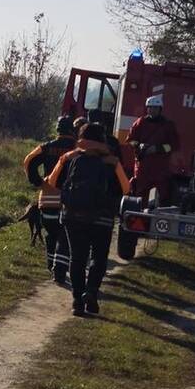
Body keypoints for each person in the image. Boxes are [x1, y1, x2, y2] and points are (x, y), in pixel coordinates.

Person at [48, 123, 130, 316]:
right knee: (98, 258)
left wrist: (65, 164)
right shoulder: (112, 161)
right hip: (102, 218)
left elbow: (52, 182)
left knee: (77, 258)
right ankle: (91, 292)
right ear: (102, 140)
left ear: (80, 138)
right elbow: (126, 189)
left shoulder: (70, 158)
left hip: (73, 215)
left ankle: (77, 301)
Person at [22, 116, 77, 285]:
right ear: (72, 131)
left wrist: (38, 182)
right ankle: (59, 271)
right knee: (66, 237)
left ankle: (50, 264)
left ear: (58, 130)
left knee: (52, 233)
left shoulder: (46, 147)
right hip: (71, 201)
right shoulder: (78, 149)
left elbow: (29, 160)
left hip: (47, 199)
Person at [126, 95, 179, 203]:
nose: (152, 110)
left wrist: (157, 148)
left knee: (161, 197)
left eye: (155, 108)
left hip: (160, 169)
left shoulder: (168, 125)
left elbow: (174, 145)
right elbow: (130, 140)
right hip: (142, 168)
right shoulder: (140, 122)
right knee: (139, 196)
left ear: (160, 109)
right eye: (149, 107)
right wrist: (139, 145)